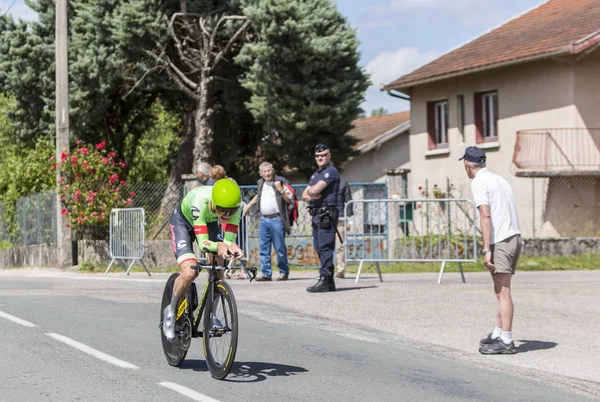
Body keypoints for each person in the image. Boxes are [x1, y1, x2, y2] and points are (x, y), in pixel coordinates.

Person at [162, 179, 244, 340]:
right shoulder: (201, 200)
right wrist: (219, 245)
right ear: (214, 202)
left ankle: (212, 314)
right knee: (189, 272)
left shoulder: (239, 206)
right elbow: (203, 244)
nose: (226, 215)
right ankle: (170, 312)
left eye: (231, 211)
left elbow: (228, 240)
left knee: (219, 264)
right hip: (183, 224)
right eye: (222, 210)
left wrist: (233, 247)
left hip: (209, 222)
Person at [460, 146, 522, 355]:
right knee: (500, 290)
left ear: (467, 165)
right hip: (513, 236)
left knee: (503, 291)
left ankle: (506, 340)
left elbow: (485, 216)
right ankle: (498, 333)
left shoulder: (478, 182)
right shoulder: (499, 179)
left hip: (502, 239)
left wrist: (487, 249)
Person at [243, 162, 293, 281]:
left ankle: (283, 272)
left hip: (277, 219)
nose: (267, 173)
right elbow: (258, 196)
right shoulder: (261, 183)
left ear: (273, 170)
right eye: (264, 172)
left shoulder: (279, 182)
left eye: (269, 171)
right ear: (261, 173)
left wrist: (280, 189)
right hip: (264, 219)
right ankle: (266, 273)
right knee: (264, 249)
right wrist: (249, 205)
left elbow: (289, 200)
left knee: (280, 248)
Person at [303, 143, 340, 293]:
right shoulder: (316, 174)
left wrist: (312, 193)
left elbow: (314, 191)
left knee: (325, 247)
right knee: (319, 247)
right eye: (317, 156)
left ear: (329, 156)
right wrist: (312, 193)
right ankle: (329, 281)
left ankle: (325, 279)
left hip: (327, 214)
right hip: (317, 213)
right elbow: (305, 195)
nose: (320, 158)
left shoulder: (331, 172)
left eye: (323, 155)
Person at [334, 176, 353, 279]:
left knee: (339, 246)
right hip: (325, 218)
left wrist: (349, 220)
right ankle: (325, 271)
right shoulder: (321, 181)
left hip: (340, 218)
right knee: (324, 247)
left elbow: (349, 202)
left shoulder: (343, 183)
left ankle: (340, 271)